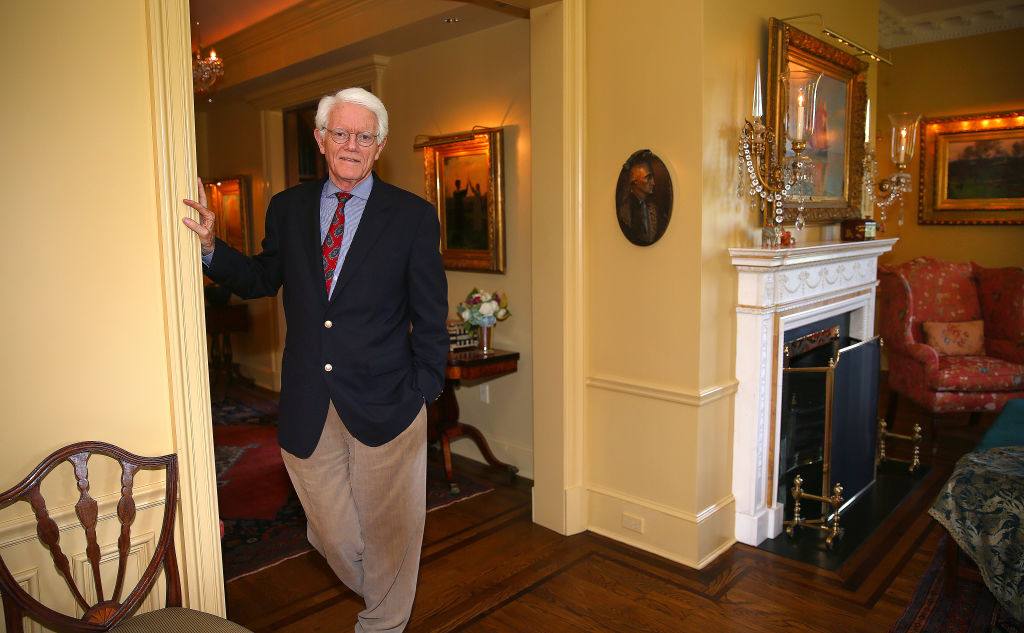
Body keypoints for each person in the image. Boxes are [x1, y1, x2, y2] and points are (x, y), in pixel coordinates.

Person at [182, 87, 449, 633]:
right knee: (332, 534)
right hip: (309, 400)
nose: (352, 144)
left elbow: (430, 310)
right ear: (321, 139)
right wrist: (211, 246)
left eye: (364, 136)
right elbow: (261, 277)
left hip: (389, 401)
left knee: (392, 532)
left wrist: (425, 388)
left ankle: (382, 625)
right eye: (341, 133)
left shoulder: (412, 217)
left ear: (380, 146)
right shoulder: (288, 208)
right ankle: (385, 597)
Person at [617, 158, 659, 245]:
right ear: (634, 180)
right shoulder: (624, 210)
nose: (653, 182)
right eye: (648, 177)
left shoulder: (653, 208)